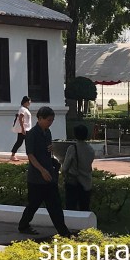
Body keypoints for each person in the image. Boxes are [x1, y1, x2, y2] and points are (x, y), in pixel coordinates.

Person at [17, 106, 72, 237]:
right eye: (48, 120)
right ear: (40, 118)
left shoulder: (48, 132)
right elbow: (31, 155)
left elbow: (47, 153)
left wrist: (51, 150)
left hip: (49, 174)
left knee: (55, 205)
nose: (50, 122)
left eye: (52, 120)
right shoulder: (32, 134)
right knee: (33, 205)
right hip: (36, 177)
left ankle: (64, 232)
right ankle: (23, 225)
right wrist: (41, 170)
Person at [61, 124, 95, 211]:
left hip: (73, 182)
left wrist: (63, 175)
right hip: (86, 181)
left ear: (75, 135)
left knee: (71, 207)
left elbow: (65, 167)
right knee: (85, 207)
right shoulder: (90, 149)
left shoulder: (72, 148)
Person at [9, 96, 33, 161]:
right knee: (24, 142)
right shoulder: (22, 109)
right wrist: (23, 129)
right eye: (29, 101)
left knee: (21, 142)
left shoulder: (25, 109)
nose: (30, 102)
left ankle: (13, 155)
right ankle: (14, 155)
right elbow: (20, 118)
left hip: (27, 129)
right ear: (26, 102)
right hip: (24, 129)